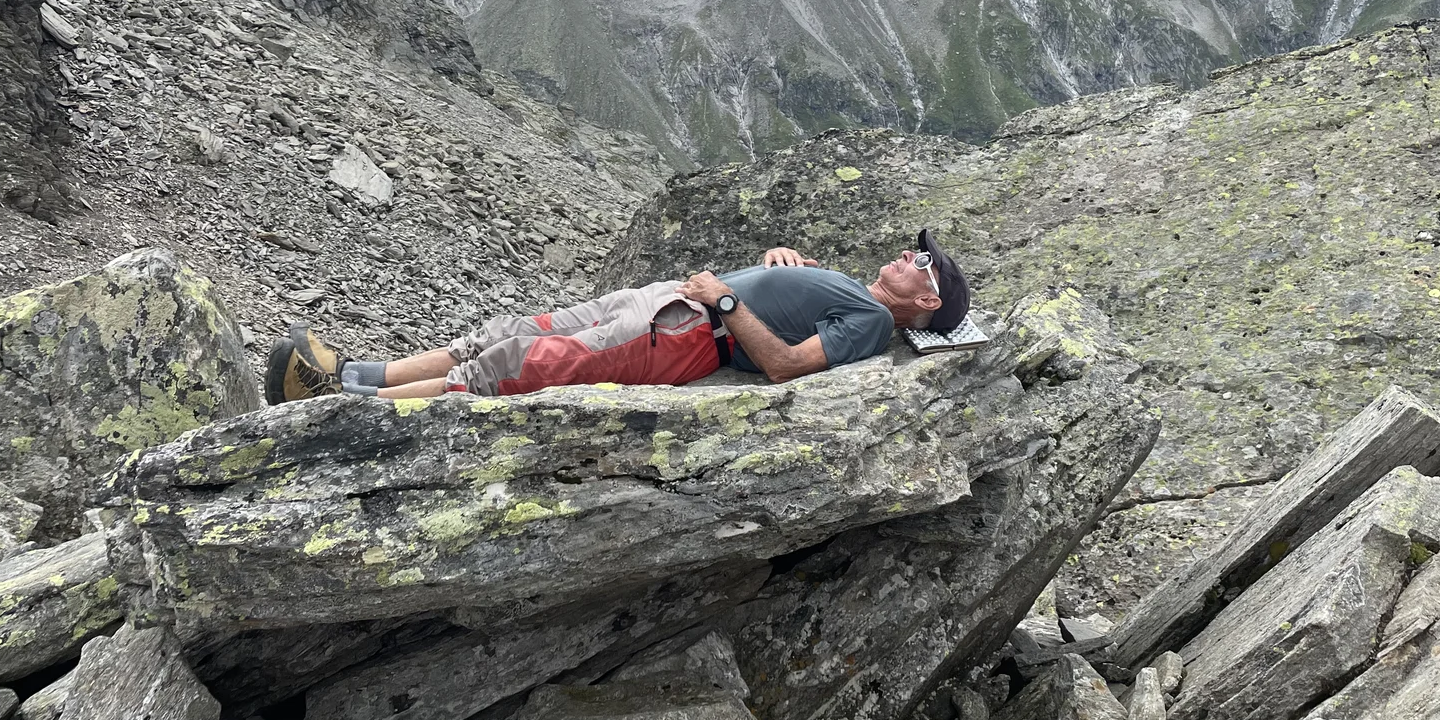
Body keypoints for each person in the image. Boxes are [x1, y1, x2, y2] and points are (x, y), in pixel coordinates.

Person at [265, 229, 972, 403]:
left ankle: (350, 405)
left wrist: (726, 299)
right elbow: (792, 318)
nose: (911, 255)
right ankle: (352, 373)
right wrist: (783, 265)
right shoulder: (859, 294)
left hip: (686, 333)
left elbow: (785, 366)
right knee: (504, 334)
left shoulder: (879, 328)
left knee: (516, 367)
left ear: (927, 302)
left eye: (922, 262)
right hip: (668, 303)